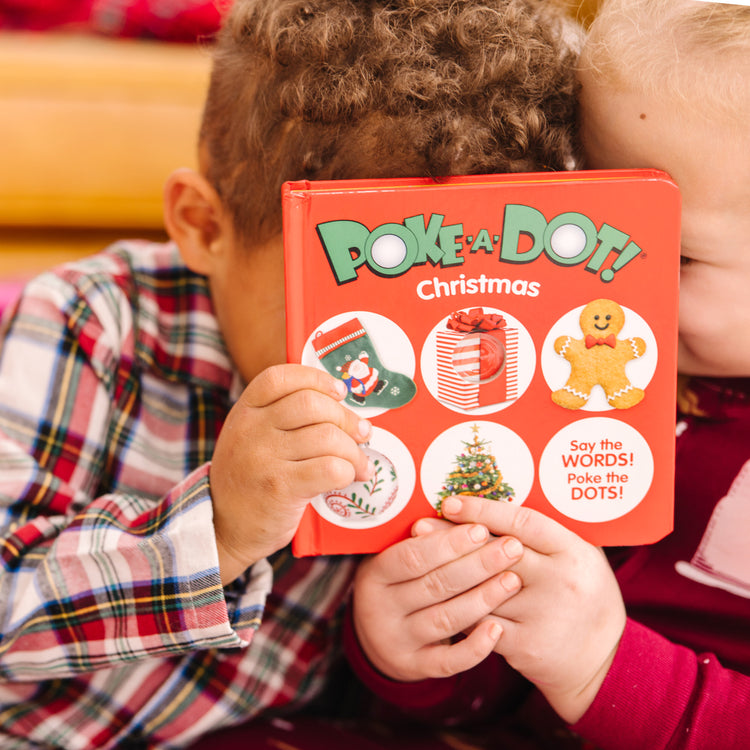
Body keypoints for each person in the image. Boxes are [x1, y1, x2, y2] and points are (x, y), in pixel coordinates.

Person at [0, 0, 581, 747]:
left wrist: (407, 651)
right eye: (358, 288)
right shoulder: (88, 321)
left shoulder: (479, 410)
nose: (403, 351)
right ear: (206, 226)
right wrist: (220, 527)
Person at [346, 1, 750, 748]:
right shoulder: (568, 373)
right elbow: (500, 681)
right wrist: (422, 648)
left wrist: (604, 666)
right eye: (588, 227)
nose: (606, 284)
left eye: (672, 254)